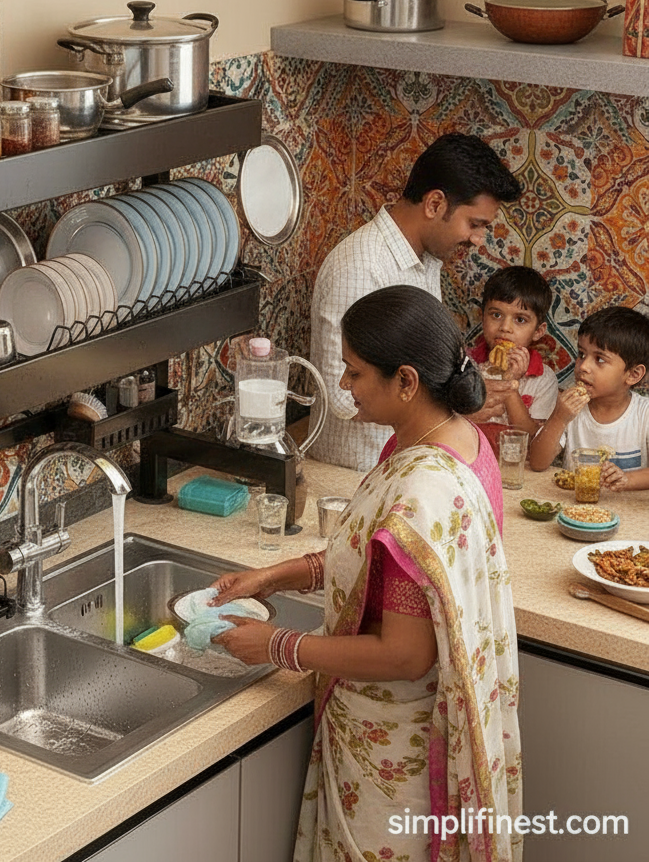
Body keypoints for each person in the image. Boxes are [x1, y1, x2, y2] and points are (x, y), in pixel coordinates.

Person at [212, 286, 521, 862]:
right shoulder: (459, 442)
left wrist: (280, 645)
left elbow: (406, 654)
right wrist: (277, 576)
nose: (345, 386)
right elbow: (383, 566)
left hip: (395, 756)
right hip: (412, 729)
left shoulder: (422, 490)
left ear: (406, 380)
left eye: (354, 372)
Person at [309, 132, 522, 472]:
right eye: (475, 224)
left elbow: (421, 367)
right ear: (435, 204)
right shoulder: (361, 266)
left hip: (403, 468)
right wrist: (454, 409)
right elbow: (341, 395)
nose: (479, 240)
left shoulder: (425, 261)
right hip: (356, 474)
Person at [529, 305, 649, 490]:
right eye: (581, 354)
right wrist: (559, 418)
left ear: (633, 374)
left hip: (630, 513)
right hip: (575, 511)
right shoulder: (570, 409)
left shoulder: (644, 414)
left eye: (600, 359)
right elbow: (537, 463)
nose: (583, 366)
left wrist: (628, 479)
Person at [466, 265, 558, 439]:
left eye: (520, 319)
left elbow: (531, 436)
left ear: (538, 331)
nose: (505, 328)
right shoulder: (466, 365)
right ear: (482, 316)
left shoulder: (543, 379)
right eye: (496, 315)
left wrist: (509, 384)